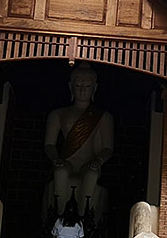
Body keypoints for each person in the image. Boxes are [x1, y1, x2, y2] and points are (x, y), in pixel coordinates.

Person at [43, 63, 114, 224]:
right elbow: (49, 144)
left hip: (89, 162)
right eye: (78, 85)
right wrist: (55, 159)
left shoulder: (103, 116)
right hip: (67, 160)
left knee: (91, 174)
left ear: (95, 88)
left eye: (87, 86)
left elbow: (108, 148)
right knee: (60, 172)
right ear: (70, 87)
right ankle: (59, 217)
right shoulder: (58, 114)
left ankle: (83, 218)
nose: (82, 90)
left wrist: (98, 160)